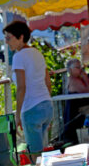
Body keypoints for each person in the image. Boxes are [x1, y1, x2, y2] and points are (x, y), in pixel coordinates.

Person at [3, 20, 53, 153]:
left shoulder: (18, 56)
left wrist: (17, 114)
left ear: (20, 37)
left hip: (31, 108)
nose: (6, 42)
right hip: (46, 105)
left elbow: (21, 87)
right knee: (43, 153)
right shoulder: (37, 53)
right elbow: (48, 82)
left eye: (9, 38)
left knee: (35, 155)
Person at [60, 59, 89, 145]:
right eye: (78, 67)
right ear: (71, 69)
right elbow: (88, 89)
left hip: (78, 115)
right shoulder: (73, 80)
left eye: (81, 67)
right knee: (73, 136)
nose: (81, 69)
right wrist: (85, 78)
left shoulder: (78, 79)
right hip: (73, 117)